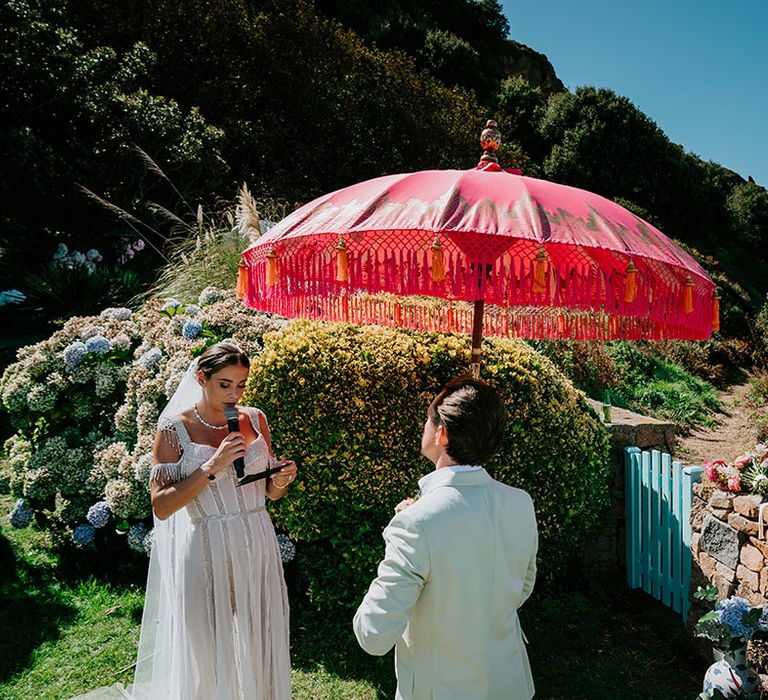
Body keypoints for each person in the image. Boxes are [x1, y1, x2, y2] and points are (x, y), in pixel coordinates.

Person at [353, 377, 538, 700]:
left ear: (442, 433)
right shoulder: (520, 502)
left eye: (429, 418)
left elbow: (374, 633)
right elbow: (522, 586)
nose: (424, 426)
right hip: (509, 683)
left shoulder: (415, 523)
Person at [130, 342, 296, 699]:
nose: (235, 394)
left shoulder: (256, 419)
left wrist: (280, 479)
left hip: (257, 543)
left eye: (241, 385)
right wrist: (211, 467)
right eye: (225, 384)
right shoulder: (175, 429)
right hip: (207, 548)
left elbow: (269, 493)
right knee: (207, 656)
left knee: (263, 644)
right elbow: (161, 506)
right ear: (201, 378)